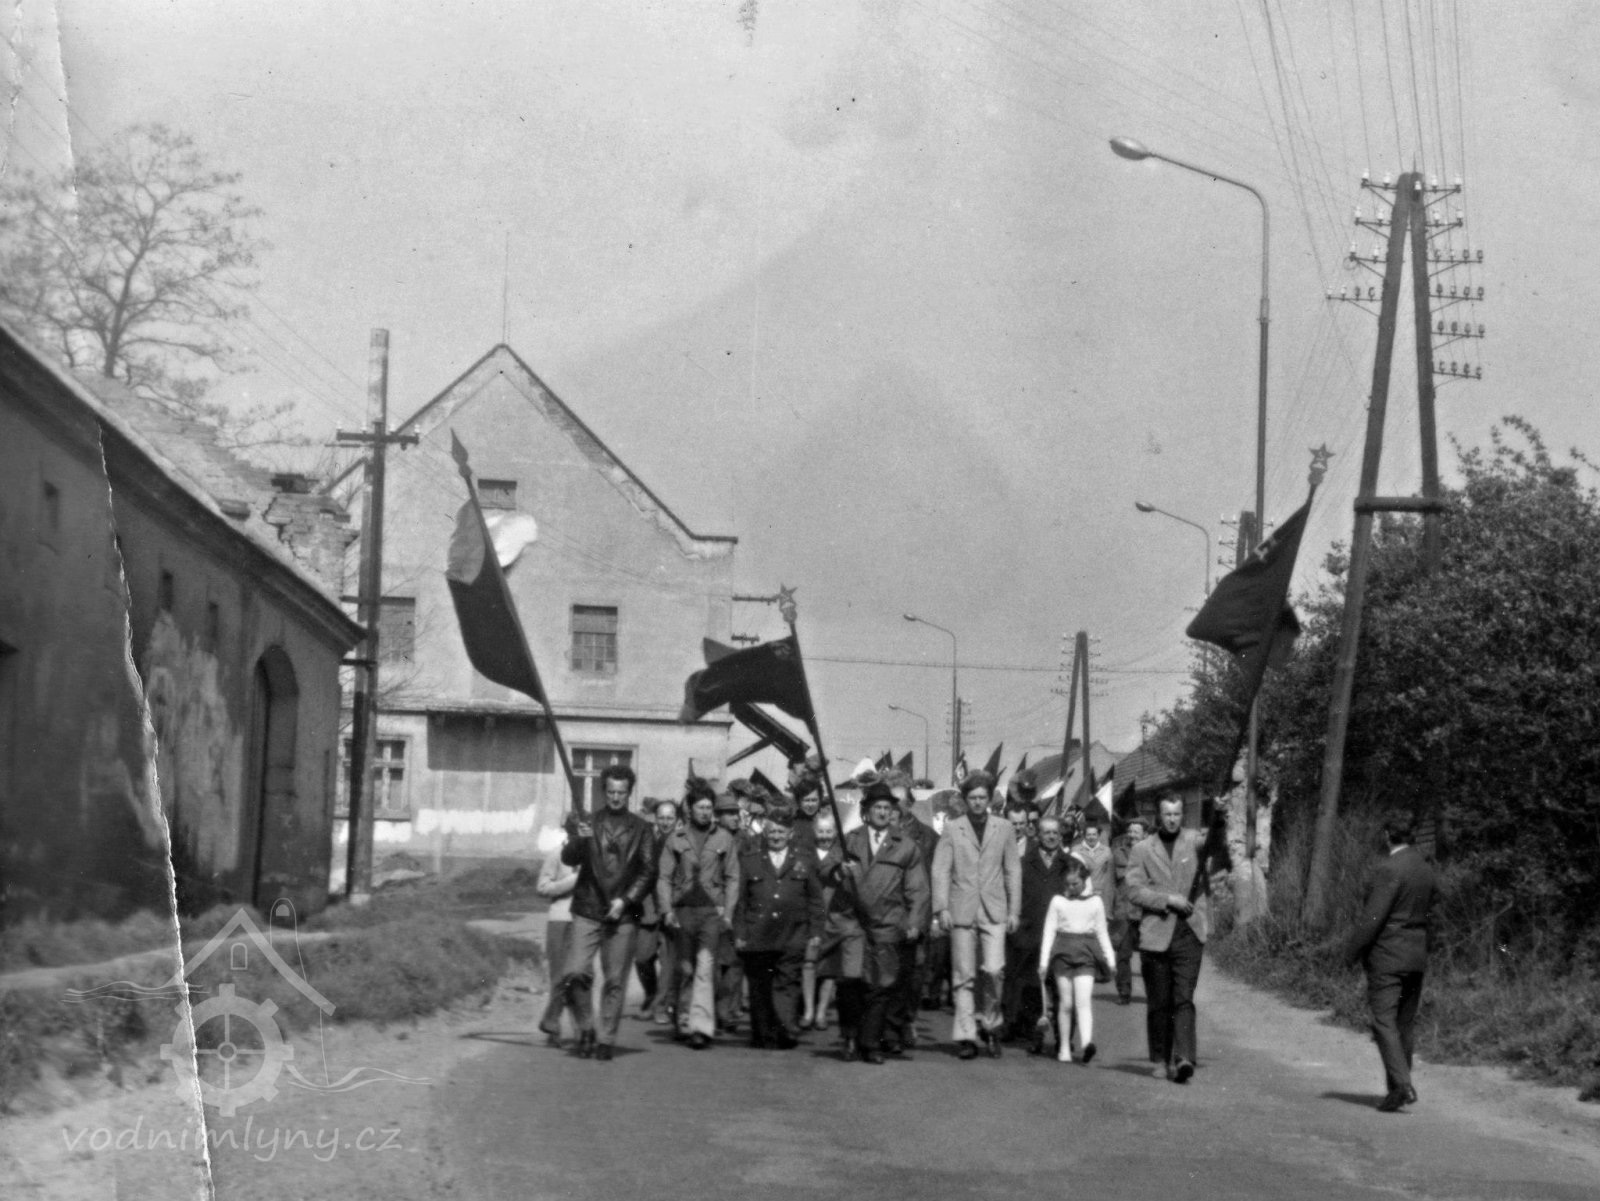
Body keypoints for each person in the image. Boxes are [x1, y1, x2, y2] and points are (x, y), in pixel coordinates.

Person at [556, 764, 659, 1062]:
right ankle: (586, 1027)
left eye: (621, 792)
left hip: (622, 915)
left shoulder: (642, 829)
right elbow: (569, 857)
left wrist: (626, 901)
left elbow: (649, 871)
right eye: (611, 791)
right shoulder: (589, 821)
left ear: (629, 793)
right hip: (587, 907)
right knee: (574, 971)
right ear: (604, 791)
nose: (615, 797)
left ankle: (606, 1038)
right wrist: (579, 838)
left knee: (615, 979)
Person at [828, 780, 930, 1064]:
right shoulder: (850, 840)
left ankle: (870, 1044)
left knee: (879, 986)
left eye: (887, 807)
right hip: (853, 923)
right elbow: (825, 869)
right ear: (866, 811)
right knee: (850, 982)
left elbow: (918, 889)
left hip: (887, 923)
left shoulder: (905, 846)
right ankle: (850, 1036)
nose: (883, 812)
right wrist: (839, 870)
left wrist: (914, 921)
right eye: (877, 807)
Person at [1344, 808, 1437, 1113]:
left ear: (1387, 835)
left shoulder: (1388, 869)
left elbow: (1373, 918)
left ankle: (1402, 1084)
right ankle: (1396, 1089)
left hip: (1388, 955)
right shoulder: (1425, 868)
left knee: (1384, 1021)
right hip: (1416, 953)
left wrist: (1351, 951)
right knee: (1403, 1024)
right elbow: (1433, 911)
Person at [1125, 795, 1215, 1083]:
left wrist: (1221, 817)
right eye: (1167, 814)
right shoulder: (1142, 849)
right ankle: (1161, 1058)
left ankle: (1184, 1057)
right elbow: (1134, 890)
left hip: (1189, 932)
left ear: (1182, 815)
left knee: (1183, 997)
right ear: (1158, 816)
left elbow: (1217, 847)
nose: (1173, 819)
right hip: (1156, 934)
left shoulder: (1194, 841)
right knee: (1159, 1002)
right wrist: (1167, 900)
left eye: (1177, 814)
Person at [932, 770, 1021, 1060]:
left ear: (990, 798)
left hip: (995, 909)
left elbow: (1012, 870)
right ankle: (966, 1036)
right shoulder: (952, 828)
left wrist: (1014, 910)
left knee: (994, 970)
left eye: (983, 797)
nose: (978, 802)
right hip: (961, 909)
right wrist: (941, 908)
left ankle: (991, 1025)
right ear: (965, 800)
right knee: (963, 975)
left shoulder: (1004, 828)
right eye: (973, 798)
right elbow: (941, 869)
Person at [730, 800, 826, 1048]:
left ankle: (784, 1031)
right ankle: (762, 1034)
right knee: (760, 985)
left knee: (787, 983)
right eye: (771, 831)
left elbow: (815, 899)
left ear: (790, 834)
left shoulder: (805, 860)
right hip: (757, 933)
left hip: (793, 933)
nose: (775, 836)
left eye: (781, 832)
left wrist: (816, 931)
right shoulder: (750, 860)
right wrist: (740, 932)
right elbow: (741, 901)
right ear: (765, 832)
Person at [657, 780, 739, 1050]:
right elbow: (664, 878)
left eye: (708, 808)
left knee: (705, 966)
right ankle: (683, 1020)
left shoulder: (723, 838)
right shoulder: (676, 839)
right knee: (685, 968)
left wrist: (728, 913)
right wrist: (666, 910)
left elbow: (733, 877)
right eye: (700, 807)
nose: (705, 812)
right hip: (683, 911)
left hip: (711, 912)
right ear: (690, 810)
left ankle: (701, 1027)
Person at [1038, 854, 1115, 1064]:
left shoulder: (1095, 902)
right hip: (1062, 954)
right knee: (1066, 1003)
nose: (1071, 888)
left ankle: (1087, 1043)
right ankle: (1064, 1047)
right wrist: (1043, 962)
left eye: (1076, 884)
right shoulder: (1058, 901)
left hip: (1086, 954)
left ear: (1084, 880)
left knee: (1083, 1001)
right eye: (1067, 884)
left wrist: (1110, 959)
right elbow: (1049, 932)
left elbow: (1102, 932)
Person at [1009, 814, 1073, 1052]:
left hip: (1061, 936)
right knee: (1032, 990)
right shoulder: (1023, 863)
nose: (1052, 836)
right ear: (1038, 835)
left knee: (1062, 988)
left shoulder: (1071, 865)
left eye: (1055, 832)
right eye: (1047, 832)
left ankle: (1064, 1038)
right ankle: (1034, 1036)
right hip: (1031, 933)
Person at [886, 773, 937, 1053]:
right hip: (887, 913)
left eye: (899, 801)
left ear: (910, 802)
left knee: (915, 972)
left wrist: (936, 914)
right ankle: (888, 1024)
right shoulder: (878, 833)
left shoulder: (928, 837)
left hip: (917, 913)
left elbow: (936, 878)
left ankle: (908, 1019)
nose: (893, 807)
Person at [633, 799, 681, 1023]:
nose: (665, 822)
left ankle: (661, 1006)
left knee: (668, 962)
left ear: (677, 819)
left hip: (672, 908)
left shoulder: (682, 842)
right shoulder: (647, 842)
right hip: (648, 910)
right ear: (655, 819)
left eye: (670, 818)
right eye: (661, 818)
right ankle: (651, 994)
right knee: (642, 958)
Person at [711, 791, 749, 1035]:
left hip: (741, 907)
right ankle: (716, 1011)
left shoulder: (746, 839)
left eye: (736, 812)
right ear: (717, 816)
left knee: (735, 962)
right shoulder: (712, 838)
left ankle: (729, 1011)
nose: (735, 817)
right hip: (717, 905)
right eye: (729, 813)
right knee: (715, 962)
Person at [534, 841, 579, 1046]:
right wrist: (573, 880)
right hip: (560, 919)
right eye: (575, 828)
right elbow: (542, 887)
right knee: (559, 976)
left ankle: (561, 1023)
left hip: (585, 921)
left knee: (580, 976)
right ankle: (556, 1029)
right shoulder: (557, 854)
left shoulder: (595, 854)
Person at [801, 811, 841, 1030]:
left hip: (835, 913)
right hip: (811, 914)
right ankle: (808, 1010)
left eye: (829, 831)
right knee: (809, 962)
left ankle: (821, 1012)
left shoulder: (841, 853)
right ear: (814, 831)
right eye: (821, 831)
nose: (825, 836)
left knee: (830, 967)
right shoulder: (806, 852)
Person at [1110, 818, 1148, 1005]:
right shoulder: (1117, 853)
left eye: (1136, 832)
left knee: (1150, 957)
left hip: (1146, 913)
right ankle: (1124, 992)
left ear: (1145, 835)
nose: (1132, 835)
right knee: (1122, 955)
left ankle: (1154, 994)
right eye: (1130, 831)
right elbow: (1110, 883)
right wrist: (1109, 910)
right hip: (1124, 912)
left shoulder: (1152, 853)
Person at [1071, 818, 1114, 915]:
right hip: (1082, 894)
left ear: (1098, 835)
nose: (1091, 837)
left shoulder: (1107, 852)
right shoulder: (1075, 851)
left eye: (1094, 834)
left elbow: (1110, 878)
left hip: (1100, 895)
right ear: (1084, 836)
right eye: (1088, 834)